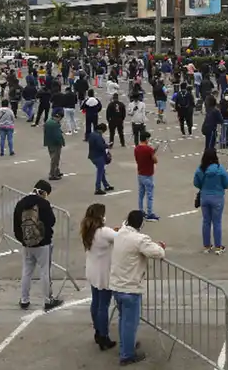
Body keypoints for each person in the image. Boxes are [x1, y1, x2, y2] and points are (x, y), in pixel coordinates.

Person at [109, 210, 166, 365]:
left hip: (117, 285)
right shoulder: (139, 239)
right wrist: (160, 246)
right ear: (141, 224)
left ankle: (126, 346)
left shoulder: (120, 233)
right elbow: (158, 252)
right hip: (130, 287)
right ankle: (127, 355)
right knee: (130, 323)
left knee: (123, 320)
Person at [13, 180, 63, 311]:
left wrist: (23, 240)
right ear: (45, 192)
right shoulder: (43, 204)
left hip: (26, 243)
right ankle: (47, 300)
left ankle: (24, 300)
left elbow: (16, 226)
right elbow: (51, 222)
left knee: (26, 271)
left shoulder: (21, 203)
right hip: (43, 244)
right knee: (44, 272)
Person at [81, 203, 117, 350]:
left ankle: (97, 331)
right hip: (103, 273)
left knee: (95, 302)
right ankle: (104, 336)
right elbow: (121, 238)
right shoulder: (104, 232)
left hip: (92, 271)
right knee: (103, 305)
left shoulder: (88, 230)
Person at [193, 148, 228, 254]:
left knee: (206, 221)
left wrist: (203, 186)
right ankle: (218, 246)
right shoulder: (220, 169)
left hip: (204, 197)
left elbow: (196, 183)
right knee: (217, 222)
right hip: (217, 198)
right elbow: (227, 183)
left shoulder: (201, 169)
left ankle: (207, 245)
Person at [132, 131, 159, 220]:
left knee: (141, 194)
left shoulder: (136, 148)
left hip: (140, 173)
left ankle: (141, 211)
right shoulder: (149, 149)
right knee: (149, 195)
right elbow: (155, 160)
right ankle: (150, 213)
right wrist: (154, 153)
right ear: (146, 139)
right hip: (148, 174)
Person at [89, 123, 113, 195]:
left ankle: (106, 185)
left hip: (93, 156)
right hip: (98, 156)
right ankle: (98, 188)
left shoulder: (92, 134)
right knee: (100, 172)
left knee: (101, 171)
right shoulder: (98, 136)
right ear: (101, 130)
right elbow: (100, 146)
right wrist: (107, 146)